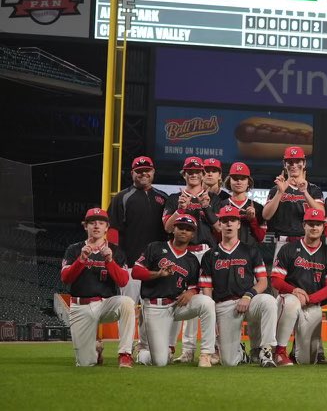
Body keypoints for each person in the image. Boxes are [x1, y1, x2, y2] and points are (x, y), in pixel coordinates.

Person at [131, 213, 216, 367]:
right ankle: (142, 351)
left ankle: (206, 354)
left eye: (188, 229)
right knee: (161, 362)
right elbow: (136, 272)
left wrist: (191, 292)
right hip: (155, 306)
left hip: (176, 306)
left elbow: (194, 286)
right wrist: (157, 274)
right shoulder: (155, 247)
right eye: (180, 227)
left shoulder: (191, 260)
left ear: (193, 234)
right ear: (173, 229)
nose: (184, 231)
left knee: (207, 303)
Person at [199, 205, 278, 367]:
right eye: (225, 221)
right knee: (229, 362)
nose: (229, 224)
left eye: (233, 220)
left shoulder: (251, 250)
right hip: (224, 305)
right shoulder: (209, 255)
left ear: (239, 224)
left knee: (269, 301)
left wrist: (248, 295)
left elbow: (263, 282)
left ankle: (266, 350)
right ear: (219, 224)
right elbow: (207, 288)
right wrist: (211, 311)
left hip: (248, 301)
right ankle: (240, 352)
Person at [106, 155, 168, 360]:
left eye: (147, 170)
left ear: (153, 172)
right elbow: (112, 230)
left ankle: (146, 349)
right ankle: (125, 349)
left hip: (153, 267)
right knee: (128, 308)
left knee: (151, 309)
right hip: (130, 263)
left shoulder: (162, 198)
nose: (143, 173)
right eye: (139, 170)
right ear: (132, 173)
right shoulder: (122, 197)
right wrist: (118, 257)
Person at [162, 156, 222, 364]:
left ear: (203, 173)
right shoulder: (174, 198)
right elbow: (167, 228)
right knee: (182, 299)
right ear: (184, 173)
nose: (194, 174)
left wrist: (207, 208)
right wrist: (180, 209)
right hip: (182, 253)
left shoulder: (214, 198)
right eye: (190, 171)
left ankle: (211, 349)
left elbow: (221, 230)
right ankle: (186, 350)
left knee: (206, 301)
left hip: (206, 252)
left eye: (198, 171)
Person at [60, 208, 135, 367]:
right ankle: (95, 349)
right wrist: (81, 260)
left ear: (107, 227)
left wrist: (109, 260)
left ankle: (125, 354)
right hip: (80, 306)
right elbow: (66, 278)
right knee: (86, 363)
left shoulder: (115, 250)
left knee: (127, 302)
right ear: (85, 226)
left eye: (101, 223)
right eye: (92, 223)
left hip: (105, 304)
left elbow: (123, 281)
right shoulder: (74, 249)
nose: (96, 226)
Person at [271, 207, 327, 366]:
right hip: (288, 299)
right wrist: (294, 291)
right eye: (310, 224)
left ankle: (295, 351)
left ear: (323, 227)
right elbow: (275, 280)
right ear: (304, 225)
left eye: (318, 224)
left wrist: (309, 298)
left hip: (312, 304)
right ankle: (279, 351)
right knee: (291, 303)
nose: (314, 227)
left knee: (306, 360)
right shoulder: (289, 248)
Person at [262, 146, 325, 262]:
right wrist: (280, 192)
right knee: (278, 277)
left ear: (304, 163)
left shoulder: (313, 189)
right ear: (284, 164)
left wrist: (305, 192)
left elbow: (321, 213)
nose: (294, 165)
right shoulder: (276, 189)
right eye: (290, 162)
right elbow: (266, 215)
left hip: (306, 240)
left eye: (298, 161)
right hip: (281, 240)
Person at [222, 162, 266, 247]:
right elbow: (216, 236)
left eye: (242, 178)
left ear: (248, 182)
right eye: (235, 178)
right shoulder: (221, 205)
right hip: (227, 254)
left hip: (250, 254)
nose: (239, 181)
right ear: (229, 181)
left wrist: (253, 220)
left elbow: (261, 237)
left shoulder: (258, 207)